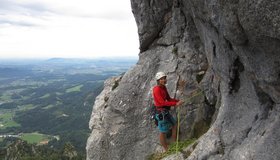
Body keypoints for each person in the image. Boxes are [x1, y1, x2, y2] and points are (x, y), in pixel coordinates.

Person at [152, 72, 183, 151]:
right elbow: (162, 102)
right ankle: (166, 148)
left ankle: (174, 142)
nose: (163, 80)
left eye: (164, 78)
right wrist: (175, 104)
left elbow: (169, 99)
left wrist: (178, 101)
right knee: (163, 132)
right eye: (161, 79)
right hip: (161, 113)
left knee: (174, 124)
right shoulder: (156, 89)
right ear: (158, 80)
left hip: (165, 111)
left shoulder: (163, 88)